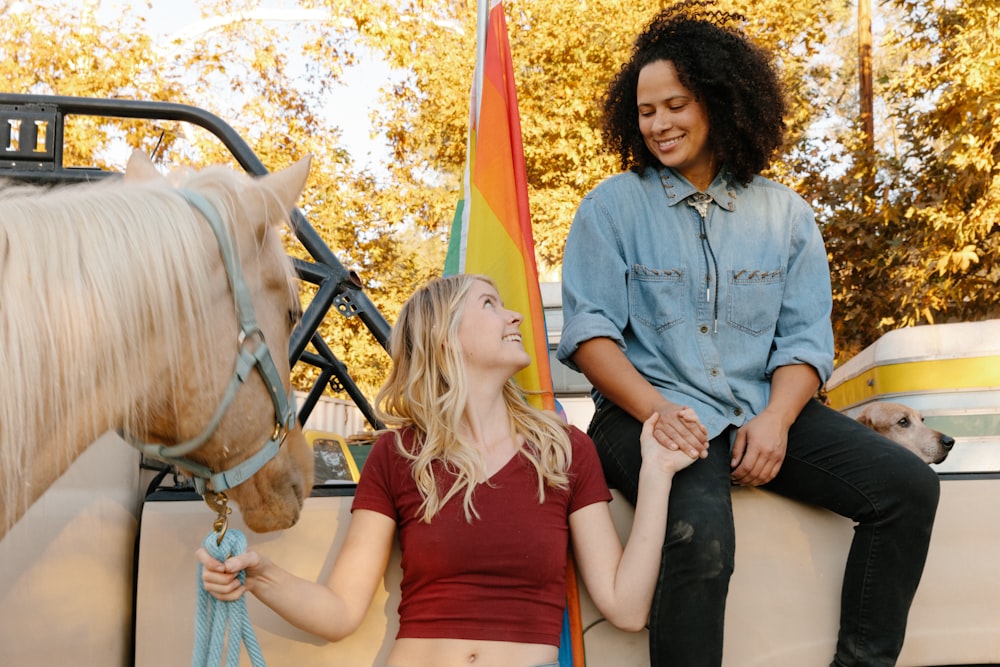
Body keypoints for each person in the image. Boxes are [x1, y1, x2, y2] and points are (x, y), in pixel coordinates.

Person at [556, 2, 940, 666]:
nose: (659, 124)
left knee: (908, 487)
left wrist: (778, 419)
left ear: (719, 101)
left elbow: (802, 342)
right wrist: (660, 412)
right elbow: (591, 337)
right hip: (644, 413)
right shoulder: (611, 206)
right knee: (701, 532)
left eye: (675, 105)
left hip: (755, 409)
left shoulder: (786, 215)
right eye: (646, 111)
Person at [199, 274, 696, 667]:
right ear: (444, 339)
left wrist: (656, 475)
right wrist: (259, 575)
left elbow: (626, 608)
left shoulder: (565, 450)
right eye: (489, 304)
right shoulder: (397, 456)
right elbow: (339, 612)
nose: (515, 315)